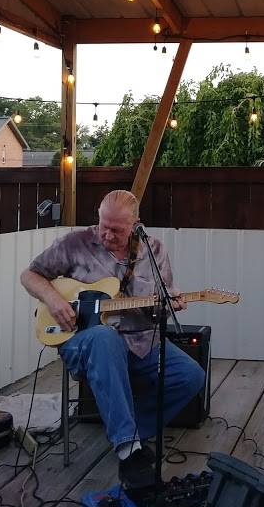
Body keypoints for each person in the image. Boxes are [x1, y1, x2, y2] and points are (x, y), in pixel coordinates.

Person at [20, 189, 206, 488]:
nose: (107, 234)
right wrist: (54, 300)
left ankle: (128, 432)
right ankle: (130, 451)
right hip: (85, 343)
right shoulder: (74, 243)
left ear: (136, 224)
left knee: (191, 376)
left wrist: (166, 307)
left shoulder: (154, 252)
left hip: (141, 342)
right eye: (103, 225)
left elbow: (159, 316)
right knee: (105, 337)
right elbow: (30, 276)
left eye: (116, 230)